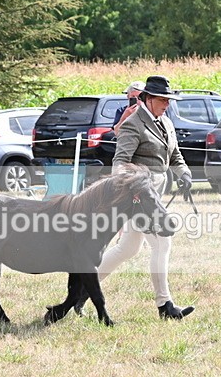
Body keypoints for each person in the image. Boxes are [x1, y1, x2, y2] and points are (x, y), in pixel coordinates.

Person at [83, 75, 195, 319]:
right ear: (148, 98)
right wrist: (134, 190)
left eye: (169, 100)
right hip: (138, 199)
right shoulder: (134, 124)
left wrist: (184, 174)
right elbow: (120, 164)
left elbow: (174, 155)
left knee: (128, 249)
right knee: (162, 243)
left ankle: (82, 290)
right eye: (163, 100)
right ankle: (165, 306)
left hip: (155, 196)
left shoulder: (164, 122)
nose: (168, 104)